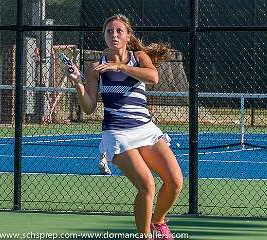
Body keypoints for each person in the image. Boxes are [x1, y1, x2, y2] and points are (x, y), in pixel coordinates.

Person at [65, 14, 183, 240]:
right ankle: (145, 236)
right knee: (147, 185)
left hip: (146, 130)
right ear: (104, 36)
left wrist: (120, 66)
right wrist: (78, 82)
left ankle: (157, 221)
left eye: (119, 31)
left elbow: (153, 77)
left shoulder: (138, 57)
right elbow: (89, 107)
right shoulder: (95, 67)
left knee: (175, 181)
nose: (114, 35)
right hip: (117, 133)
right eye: (109, 31)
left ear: (128, 35)